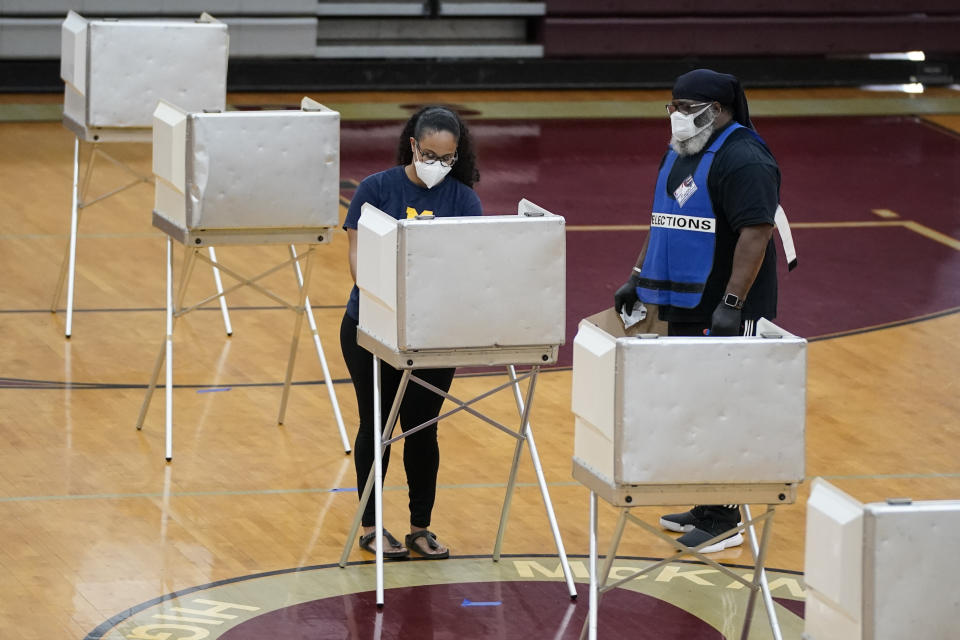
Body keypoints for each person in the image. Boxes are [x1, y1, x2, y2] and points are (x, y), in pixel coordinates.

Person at [613, 69, 782, 553]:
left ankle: (726, 517)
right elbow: (663, 219)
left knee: (725, 406)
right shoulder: (682, 151)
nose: (679, 116)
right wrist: (636, 276)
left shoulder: (745, 158)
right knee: (697, 403)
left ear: (720, 110)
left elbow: (756, 232)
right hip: (685, 301)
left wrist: (732, 303)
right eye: (675, 106)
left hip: (729, 306)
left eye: (690, 108)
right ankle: (709, 504)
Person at [340, 105, 482, 560]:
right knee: (376, 425)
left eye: (448, 157)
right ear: (413, 146)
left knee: (422, 430)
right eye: (430, 154)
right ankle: (371, 526)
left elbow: (468, 266)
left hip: (433, 335)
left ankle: (420, 527)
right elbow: (359, 258)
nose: (438, 164)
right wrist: (388, 300)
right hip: (372, 327)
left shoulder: (463, 200)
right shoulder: (376, 189)